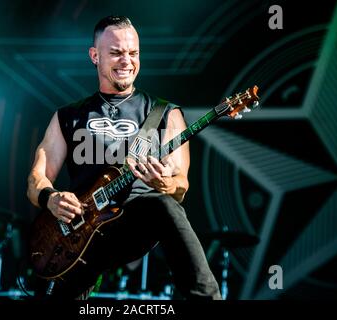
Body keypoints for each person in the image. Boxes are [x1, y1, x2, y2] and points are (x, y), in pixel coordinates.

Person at [27, 15, 221, 300]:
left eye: (133, 53)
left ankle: (205, 297)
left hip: (133, 223)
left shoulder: (165, 113)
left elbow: (181, 186)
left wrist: (164, 183)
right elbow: (35, 180)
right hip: (79, 231)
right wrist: (51, 198)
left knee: (165, 206)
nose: (126, 61)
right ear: (95, 56)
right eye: (116, 53)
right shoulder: (67, 115)